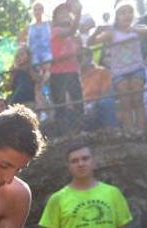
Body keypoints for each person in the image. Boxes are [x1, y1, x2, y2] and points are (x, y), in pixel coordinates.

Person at [90, 1, 147, 132]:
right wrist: (96, 31)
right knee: (126, 103)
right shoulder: (112, 33)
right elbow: (91, 42)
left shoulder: (137, 29)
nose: (127, 15)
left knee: (138, 100)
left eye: (130, 12)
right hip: (119, 72)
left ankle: (141, 132)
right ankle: (130, 133)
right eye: (123, 12)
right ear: (116, 16)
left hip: (137, 69)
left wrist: (137, 29)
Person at [49, 0, 84, 135]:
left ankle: (79, 130)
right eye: (61, 13)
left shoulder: (72, 37)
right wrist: (79, 12)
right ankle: (63, 134)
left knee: (77, 102)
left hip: (73, 72)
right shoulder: (56, 31)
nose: (65, 15)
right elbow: (72, 30)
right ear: (55, 17)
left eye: (66, 12)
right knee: (60, 105)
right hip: (58, 73)